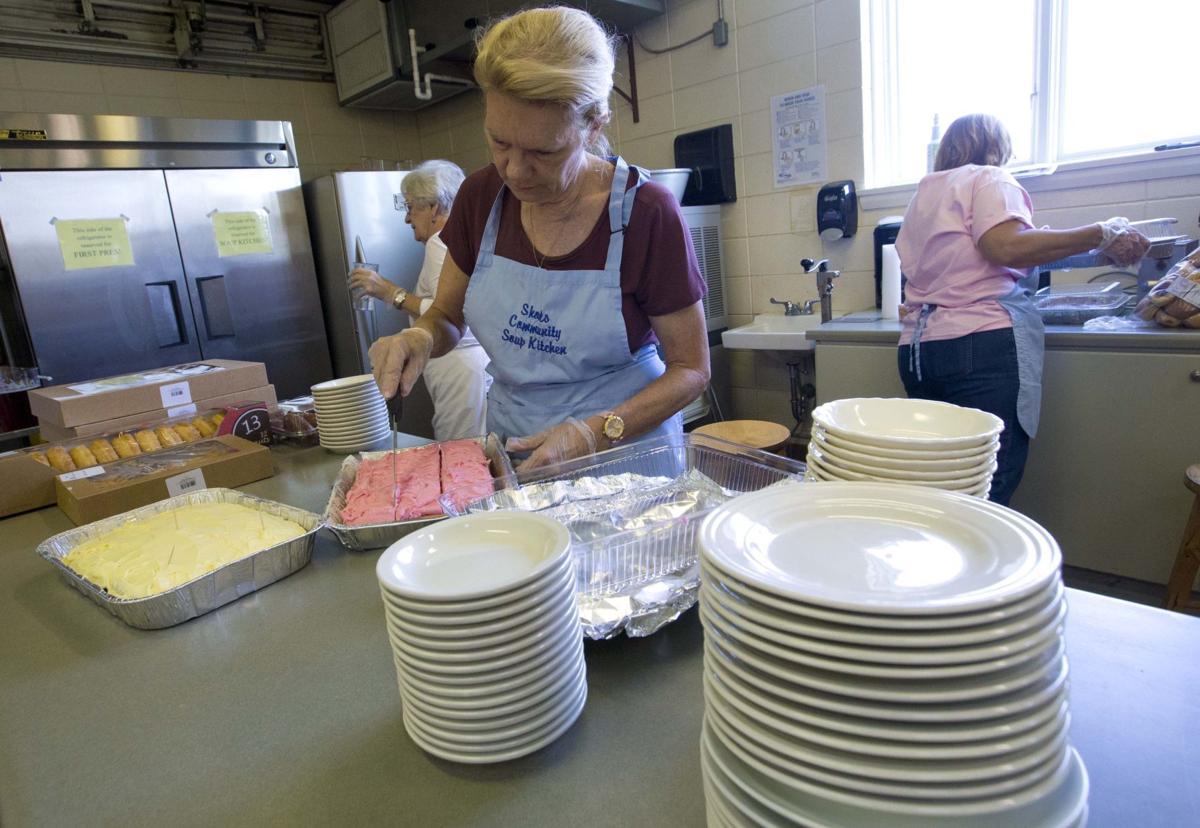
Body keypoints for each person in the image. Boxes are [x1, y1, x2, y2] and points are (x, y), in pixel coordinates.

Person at [367, 7, 711, 471]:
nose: (514, 170)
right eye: (499, 142)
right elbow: (447, 316)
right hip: (516, 445)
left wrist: (595, 432)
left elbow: (691, 369)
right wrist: (419, 338)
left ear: (593, 124)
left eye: (543, 151)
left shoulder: (645, 213)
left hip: (626, 454)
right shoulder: (480, 196)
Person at [895, 113, 1150, 506]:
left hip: (919, 351)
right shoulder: (989, 178)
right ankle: (983, 566)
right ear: (996, 149)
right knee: (985, 488)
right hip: (979, 344)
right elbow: (1004, 247)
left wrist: (1054, 242)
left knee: (940, 484)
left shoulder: (923, 196)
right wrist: (1101, 233)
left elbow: (973, 254)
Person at [349, 159, 491, 441]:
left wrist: (391, 293)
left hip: (458, 368)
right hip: (465, 368)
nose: (406, 217)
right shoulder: (460, 241)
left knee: (457, 453)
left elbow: (456, 312)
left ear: (434, 207)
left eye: (410, 206)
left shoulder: (441, 242)